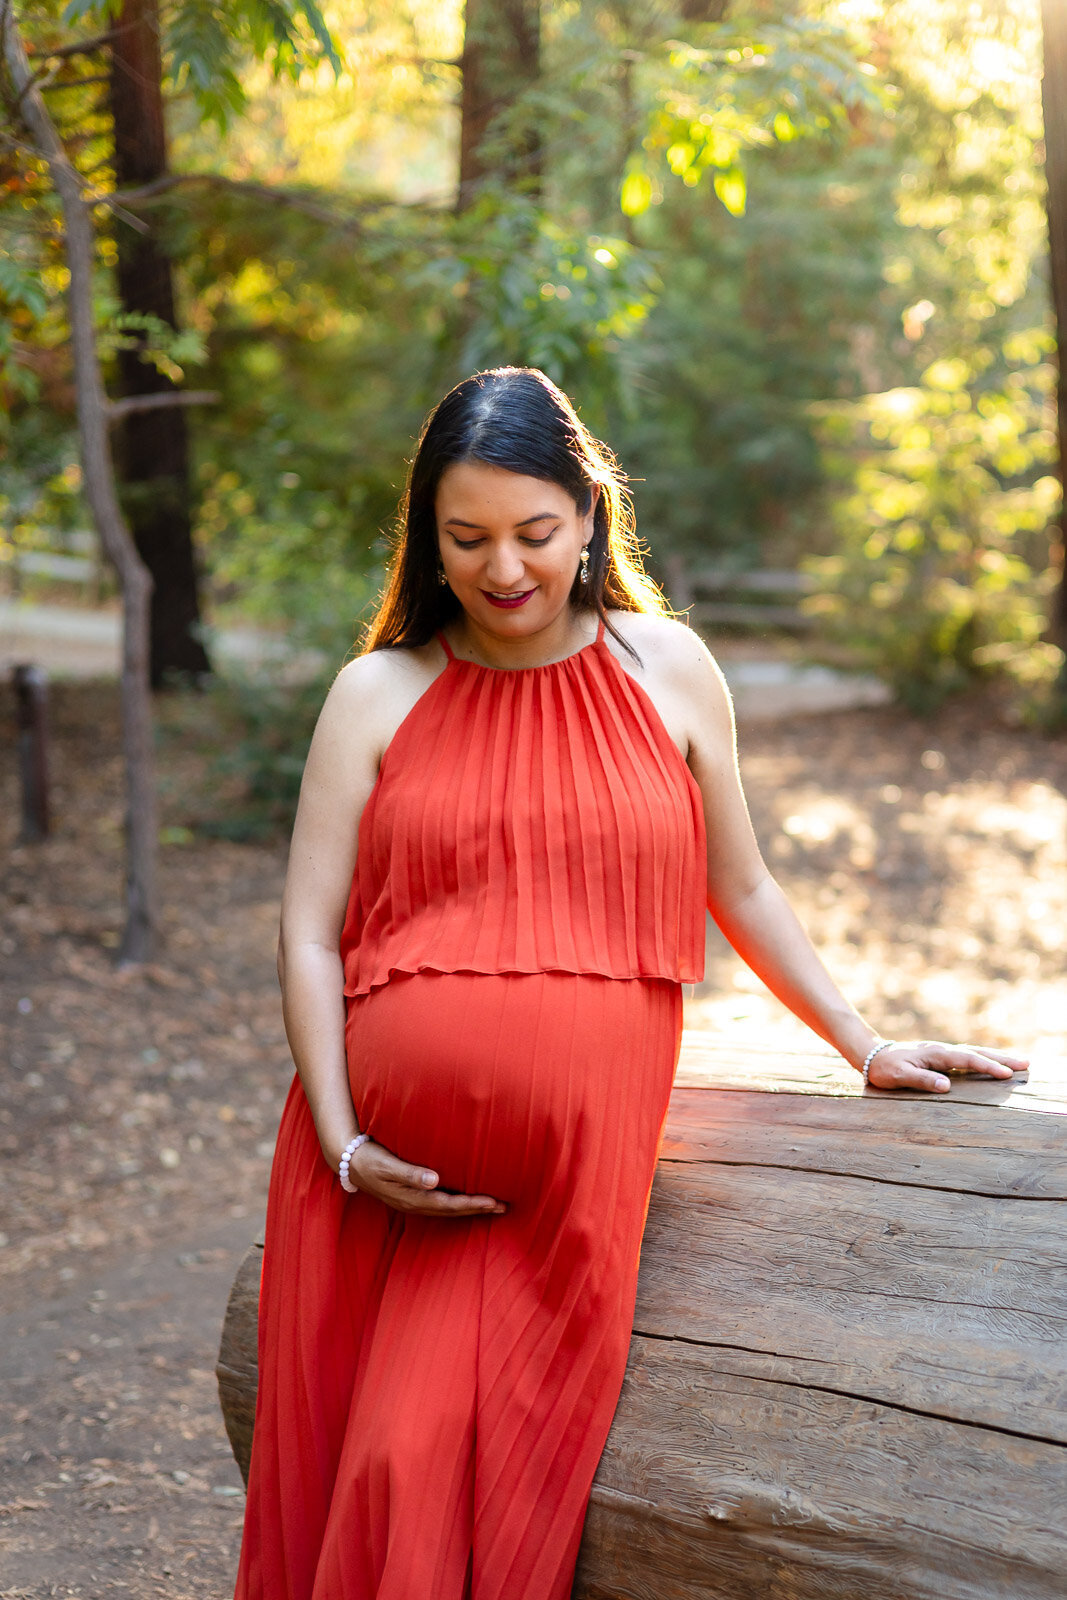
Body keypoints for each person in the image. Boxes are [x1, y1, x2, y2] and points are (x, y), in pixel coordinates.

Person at [233, 366, 1025, 1600]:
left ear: (590, 516)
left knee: (481, 1484)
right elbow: (306, 936)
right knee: (386, 1466)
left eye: (535, 532)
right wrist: (341, 1146)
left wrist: (862, 1043)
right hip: (384, 1188)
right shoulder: (375, 693)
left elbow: (743, 884)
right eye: (468, 538)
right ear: (427, 542)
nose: (504, 568)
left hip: (565, 1193)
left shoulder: (667, 669)